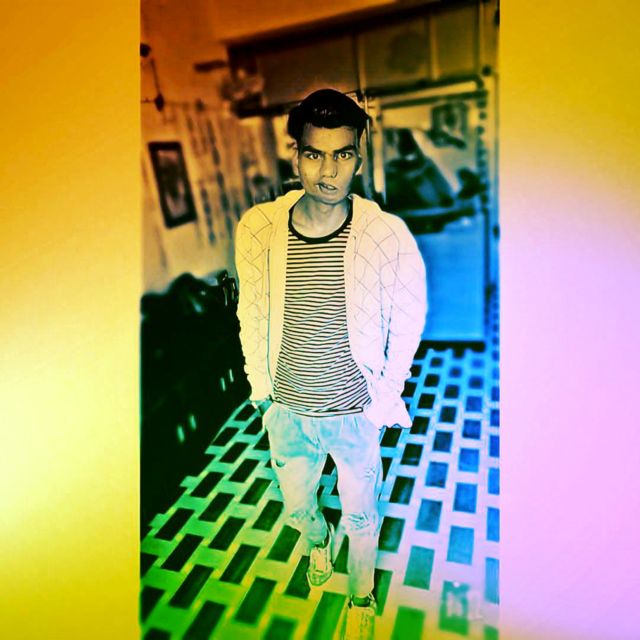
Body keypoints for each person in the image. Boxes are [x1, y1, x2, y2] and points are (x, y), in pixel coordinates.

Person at [234, 89, 427, 640]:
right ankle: (317, 542)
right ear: (295, 156)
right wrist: (261, 390)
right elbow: (252, 311)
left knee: (361, 512)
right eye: (315, 154)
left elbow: (407, 321)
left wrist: (383, 399)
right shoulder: (259, 228)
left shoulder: (384, 235)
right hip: (288, 409)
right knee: (298, 506)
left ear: (358, 159)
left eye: (342, 154)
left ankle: (361, 593)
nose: (329, 171)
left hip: (352, 409)